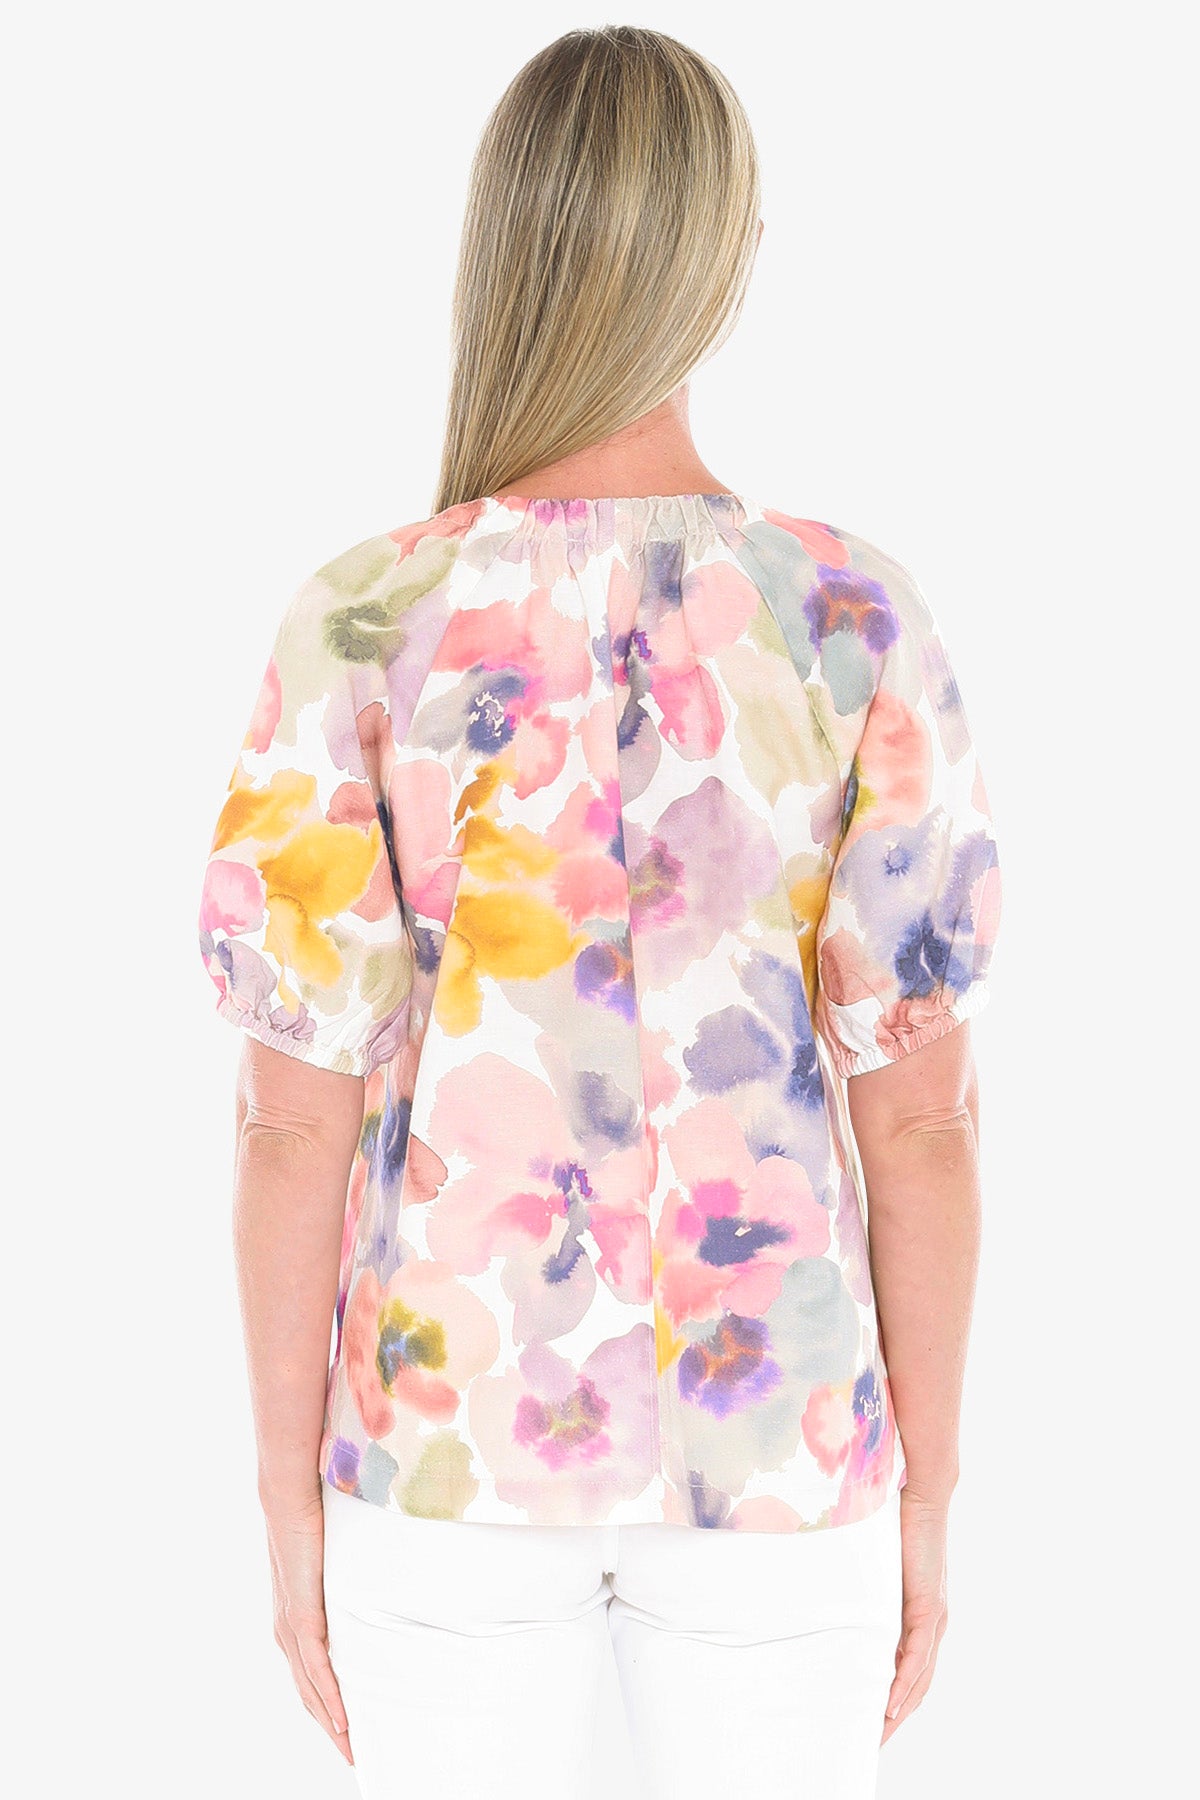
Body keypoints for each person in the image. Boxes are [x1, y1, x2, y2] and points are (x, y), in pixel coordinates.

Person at [196, 24, 1001, 1800]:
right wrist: (928, 1497)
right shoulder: (853, 619)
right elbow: (925, 1118)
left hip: (443, 1459)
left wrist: (283, 1502)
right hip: (785, 1459)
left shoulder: (363, 620)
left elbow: (287, 1123)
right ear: (726, 255)